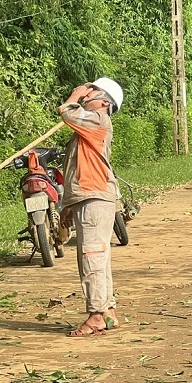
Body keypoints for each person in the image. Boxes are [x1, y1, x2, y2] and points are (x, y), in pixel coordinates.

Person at [57, 77, 124, 337]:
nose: (87, 92)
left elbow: (68, 112)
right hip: (89, 196)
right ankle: (107, 312)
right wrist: (68, 205)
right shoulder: (86, 129)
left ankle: (96, 315)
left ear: (105, 102)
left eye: (93, 90)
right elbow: (76, 170)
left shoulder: (98, 120)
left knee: (91, 257)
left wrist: (75, 96)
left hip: (95, 196)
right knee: (99, 257)